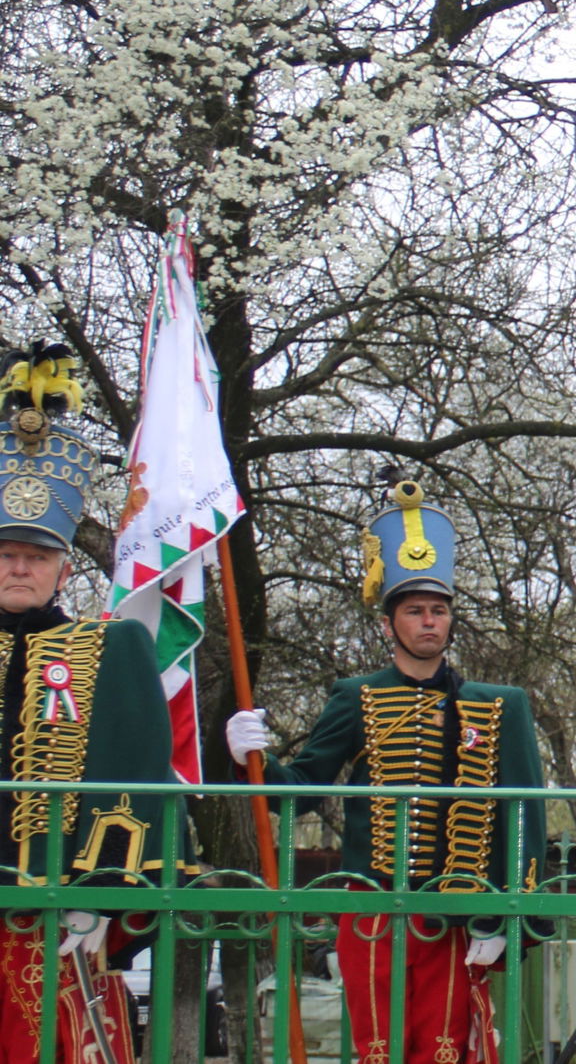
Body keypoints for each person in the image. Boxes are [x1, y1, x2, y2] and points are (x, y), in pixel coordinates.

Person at [226, 480, 544, 1064]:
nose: (429, 622)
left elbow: (522, 813)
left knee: (446, 1049)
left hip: (454, 906)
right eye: (416, 610)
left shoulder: (496, 705)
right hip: (371, 904)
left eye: (439, 610)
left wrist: (503, 914)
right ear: (388, 623)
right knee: (380, 1050)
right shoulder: (357, 696)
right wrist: (253, 756)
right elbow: (300, 790)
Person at [0, 346, 167, 1064]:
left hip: (55, 914)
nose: (18, 567)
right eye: (6, 553)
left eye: (35, 557)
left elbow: (137, 776)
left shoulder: (111, 648)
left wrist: (102, 894)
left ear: (63, 566)